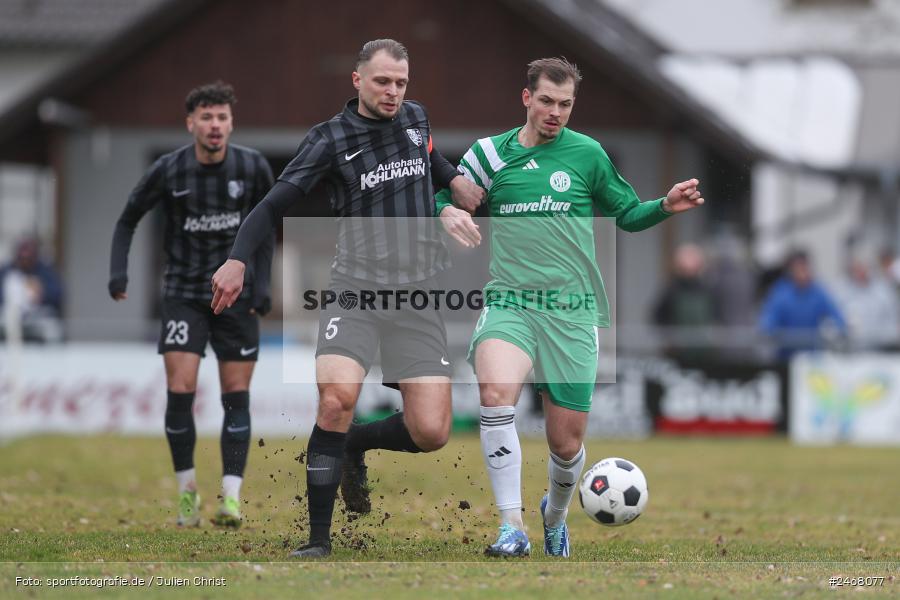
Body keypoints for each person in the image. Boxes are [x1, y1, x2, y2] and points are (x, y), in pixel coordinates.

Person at [210, 39, 483, 558]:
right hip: (355, 290)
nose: (393, 92)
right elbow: (272, 206)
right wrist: (238, 258)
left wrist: (454, 183)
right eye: (383, 81)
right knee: (336, 399)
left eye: (401, 83)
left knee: (432, 432)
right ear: (357, 80)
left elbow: (429, 158)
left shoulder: (416, 119)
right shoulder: (329, 140)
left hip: (419, 295)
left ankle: (356, 443)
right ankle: (318, 540)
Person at [435, 57, 704, 558]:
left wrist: (664, 206)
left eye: (565, 104)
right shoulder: (490, 155)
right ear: (526, 98)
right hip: (510, 299)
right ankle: (511, 528)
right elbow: (440, 194)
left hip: (573, 309)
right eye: (546, 101)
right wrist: (447, 210)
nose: (556, 112)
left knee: (565, 441)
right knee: (496, 394)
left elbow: (626, 214)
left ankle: (553, 516)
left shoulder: (588, 155)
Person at [108, 82, 275, 528]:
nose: (215, 125)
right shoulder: (168, 170)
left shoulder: (252, 165)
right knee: (180, 390)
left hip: (235, 297)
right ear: (192, 124)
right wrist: (118, 272)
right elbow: (128, 219)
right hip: (183, 294)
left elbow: (268, 223)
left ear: (230, 123)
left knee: (235, 397)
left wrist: (263, 284)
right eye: (206, 117)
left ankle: (232, 497)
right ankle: (186, 493)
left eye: (222, 117)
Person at [758, 250, 846, 361]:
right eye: (798, 268)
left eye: (804, 267)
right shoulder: (780, 292)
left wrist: (835, 333)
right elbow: (768, 320)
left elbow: (837, 317)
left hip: (812, 358)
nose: (802, 272)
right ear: (791, 270)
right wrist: (769, 331)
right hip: (786, 358)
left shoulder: (819, 292)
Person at [652, 243, 719, 360]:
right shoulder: (671, 290)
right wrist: (669, 338)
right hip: (678, 354)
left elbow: (717, 316)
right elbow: (657, 317)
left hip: (705, 353)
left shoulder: (708, 290)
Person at [0, 238, 64, 343]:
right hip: (9, 316)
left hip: (38, 316)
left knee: (53, 330)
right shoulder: (7, 271)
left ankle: (54, 358)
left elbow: (57, 293)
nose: (25, 261)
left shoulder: (45, 271)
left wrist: (41, 293)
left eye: (28, 258)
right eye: (22, 258)